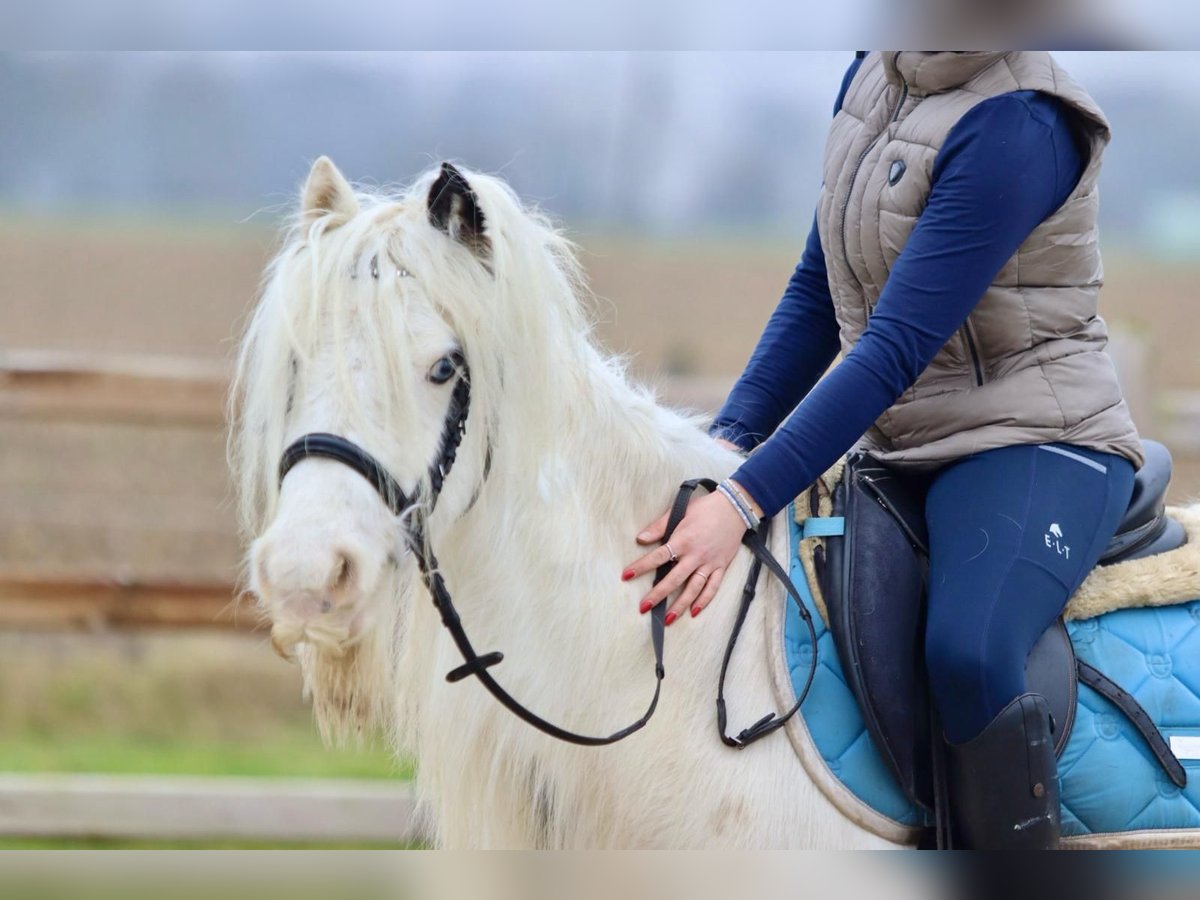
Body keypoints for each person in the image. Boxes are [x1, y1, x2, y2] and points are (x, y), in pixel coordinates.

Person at [620, 51, 1144, 849]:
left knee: (968, 652)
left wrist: (742, 499)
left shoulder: (1022, 124)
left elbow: (893, 343)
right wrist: (720, 451)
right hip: (904, 446)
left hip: (1040, 439)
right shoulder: (874, 76)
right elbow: (814, 288)